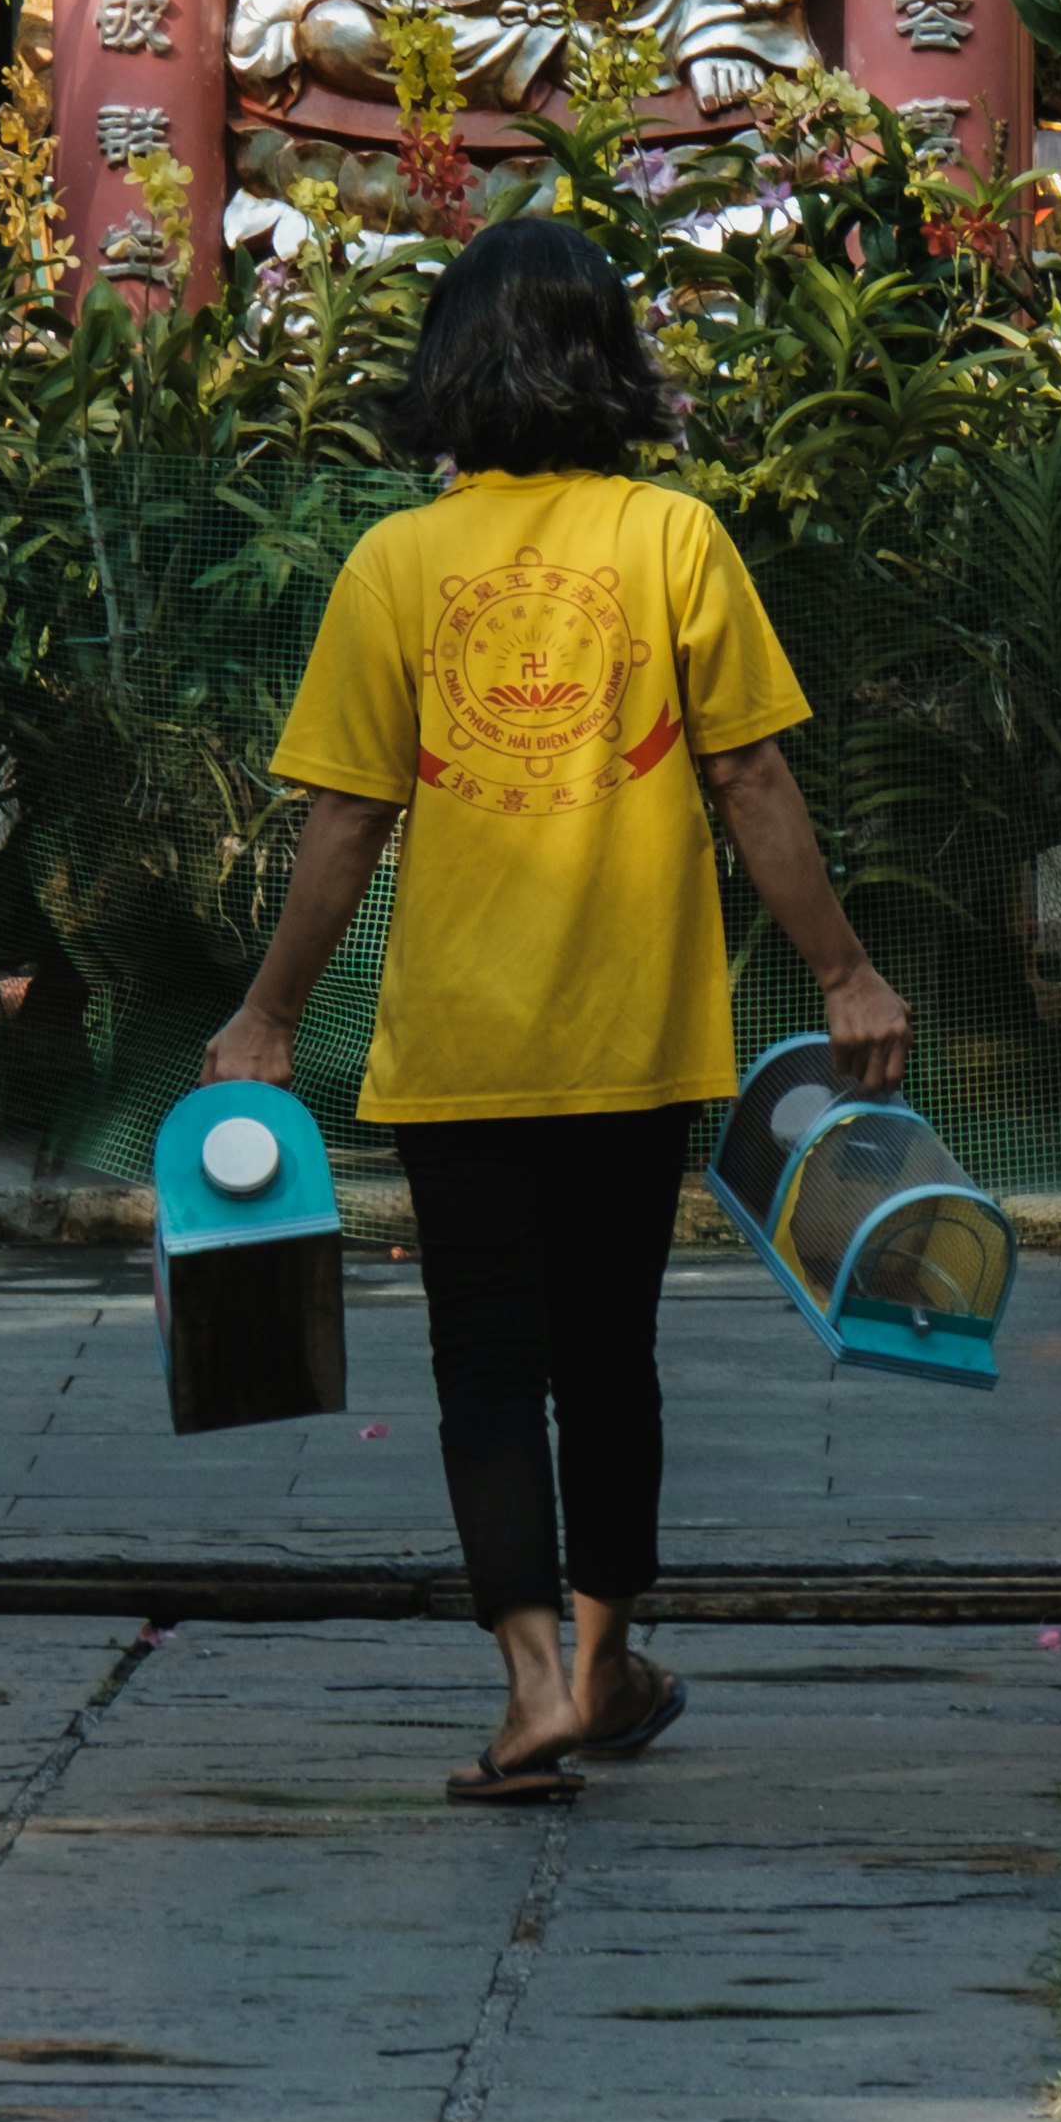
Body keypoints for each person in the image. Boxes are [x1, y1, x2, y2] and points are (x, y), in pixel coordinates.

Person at [201, 217, 914, 1807]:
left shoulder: (398, 561)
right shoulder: (672, 538)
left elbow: (342, 823)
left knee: (480, 1363)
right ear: (609, 364)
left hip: (457, 1041)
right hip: (627, 1034)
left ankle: (534, 1684)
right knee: (608, 1356)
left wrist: (266, 1016)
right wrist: (844, 968)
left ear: (449, 365)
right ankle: (604, 1658)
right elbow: (748, 775)